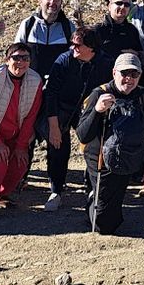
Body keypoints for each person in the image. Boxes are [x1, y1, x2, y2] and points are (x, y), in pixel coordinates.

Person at [77, 53, 144, 236]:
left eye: (135, 74)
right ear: (114, 72)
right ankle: (94, 197)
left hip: (137, 154)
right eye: (125, 73)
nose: (129, 79)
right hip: (106, 162)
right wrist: (97, 111)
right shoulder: (99, 94)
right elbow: (83, 136)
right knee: (105, 227)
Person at [38, 28, 106, 211]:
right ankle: (56, 190)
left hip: (89, 110)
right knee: (57, 146)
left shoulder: (104, 63)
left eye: (78, 45)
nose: (73, 47)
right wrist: (53, 126)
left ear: (91, 48)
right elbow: (50, 93)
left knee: (93, 145)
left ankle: (92, 188)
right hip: (62, 108)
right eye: (72, 43)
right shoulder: (64, 60)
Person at [0, 45, 45, 219]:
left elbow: (31, 117)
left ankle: (1, 194)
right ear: (7, 60)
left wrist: (21, 146)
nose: (20, 62)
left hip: (16, 134)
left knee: (21, 162)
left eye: (25, 58)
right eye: (16, 58)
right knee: (0, 160)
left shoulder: (35, 81)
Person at [16, 0, 74, 70]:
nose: (52, 2)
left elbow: (75, 54)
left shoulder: (68, 26)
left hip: (59, 80)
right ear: (40, 2)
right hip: (32, 80)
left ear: (61, 3)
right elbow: (16, 52)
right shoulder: (28, 24)